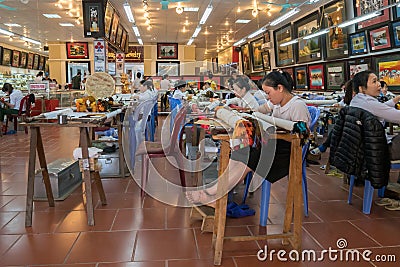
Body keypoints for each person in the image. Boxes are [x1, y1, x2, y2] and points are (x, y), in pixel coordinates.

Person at [185, 71, 310, 206]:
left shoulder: (297, 105)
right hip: (274, 145)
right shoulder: (276, 103)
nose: (268, 97)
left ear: (280, 88)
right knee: (241, 150)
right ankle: (218, 195)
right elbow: (260, 109)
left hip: (287, 154)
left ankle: (212, 192)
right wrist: (250, 115)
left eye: (268, 93)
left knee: (251, 156)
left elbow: (301, 137)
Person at [350, 70, 400, 160]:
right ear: (362, 88)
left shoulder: (358, 100)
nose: (378, 84)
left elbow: (381, 108)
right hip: (378, 151)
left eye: (377, 81)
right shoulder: (368, 102)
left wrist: (396, 99)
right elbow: (397, 116)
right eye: (374, 81)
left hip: (363, 148)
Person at [311, 79, 355, 156]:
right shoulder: (350, 101)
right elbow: (341, 104)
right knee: (339, 125)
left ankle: (325, 146)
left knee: (339, 125)